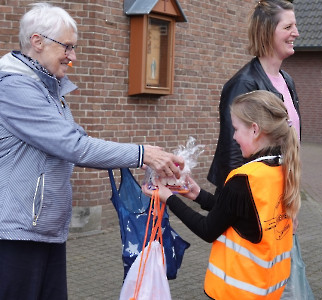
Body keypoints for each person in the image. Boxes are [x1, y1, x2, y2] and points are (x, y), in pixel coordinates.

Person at [0, 3, 184, 299]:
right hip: (17, 231)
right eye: (68, 47)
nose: (72, 57)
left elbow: (76, 139)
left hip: (43, 228)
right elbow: (74, 146)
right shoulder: (15, 89)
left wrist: (146, 154)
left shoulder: (48, 89)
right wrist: (143, 154)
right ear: (37, 41)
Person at [143, 90, 301, 299]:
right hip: (266, 288)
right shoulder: (281, 168)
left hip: (235, 290)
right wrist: (198, 195)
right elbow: (239, 213)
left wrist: (168, 198)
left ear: (254, 130)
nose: (234, 137)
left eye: (236, 129)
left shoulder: (242, 179)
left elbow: (208, 230)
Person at [207, 0, 301, 196]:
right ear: (267, 32)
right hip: (253, 198)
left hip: (279, 193)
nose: (296, 33)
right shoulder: (244, 84)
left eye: (295, 26)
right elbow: (232, 153)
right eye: (288, 27)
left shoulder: (288, 81)